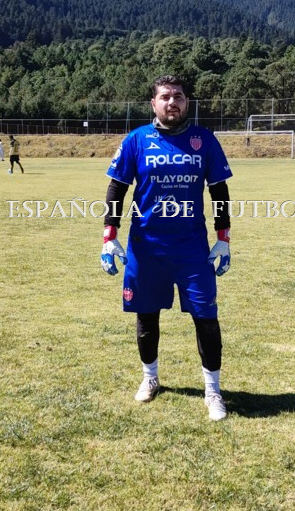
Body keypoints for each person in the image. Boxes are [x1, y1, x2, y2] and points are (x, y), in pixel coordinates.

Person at [100, 74, 233, 422]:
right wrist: (109, 235)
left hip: (192, 248)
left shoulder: (204, 140)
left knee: (206, 318)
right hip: (146, 247)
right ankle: (150, 378)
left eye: (178, 96)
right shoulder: (136, 140)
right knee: (146, 316)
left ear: (187, 102)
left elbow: (219, 190)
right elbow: (117, 189)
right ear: (153, 103)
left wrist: (223, 237)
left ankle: (213, 390)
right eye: (165, 96)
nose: (172, 102)